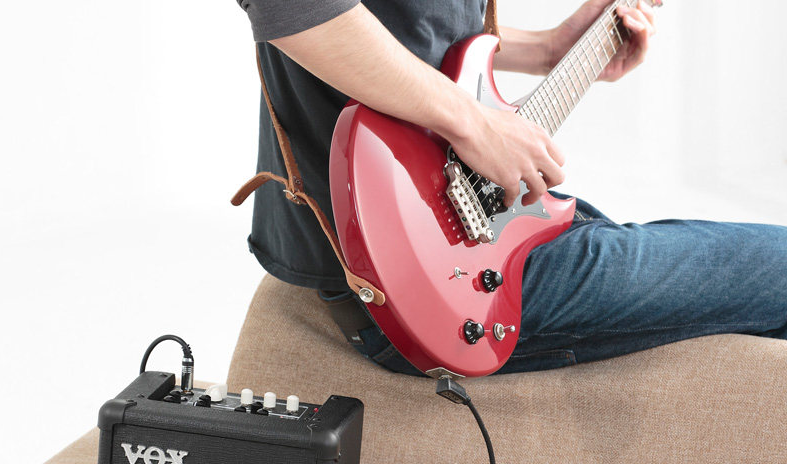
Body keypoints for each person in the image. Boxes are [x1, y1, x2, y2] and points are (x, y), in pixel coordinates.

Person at [234, 0, 787, 375]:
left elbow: (419, 35)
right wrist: (473, 124)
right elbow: (294, 10)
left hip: (471, 228)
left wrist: (551, 48)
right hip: (409, 275)